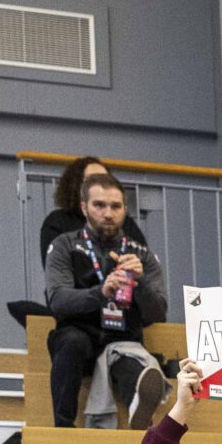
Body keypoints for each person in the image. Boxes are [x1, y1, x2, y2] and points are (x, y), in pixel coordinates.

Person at [43, 173, 168, 428]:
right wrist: (102, 292)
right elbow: (58, 300)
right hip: (79, 337)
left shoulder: (142, 255)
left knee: (131, 361)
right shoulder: (64, 245)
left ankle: (140, 415)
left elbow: (158, 312)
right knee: (72, 342)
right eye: (99, 205)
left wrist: (141, 282)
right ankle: (63, 427)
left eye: (115, 206)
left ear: (125, 209)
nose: (108, 213)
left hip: (123, 339)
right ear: (84, 207)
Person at [36, 153, 144, 267]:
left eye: (105, 179)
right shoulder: (58, 221)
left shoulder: (125, 222)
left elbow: (144, 263)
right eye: (92, 180)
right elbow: (55, 267)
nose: (101, 185)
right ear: (76, 185)